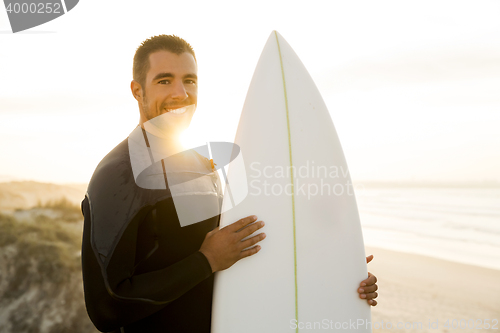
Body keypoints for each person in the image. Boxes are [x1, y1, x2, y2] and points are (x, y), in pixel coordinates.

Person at [81, 35, 378, 333]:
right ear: (137, 90)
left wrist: (336, 266)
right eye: (164, 81)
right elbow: (107, 305)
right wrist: (206, 260)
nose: (181, 93)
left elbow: (235, 251)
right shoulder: (118, 174)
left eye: (190, 80)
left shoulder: (201, 165)